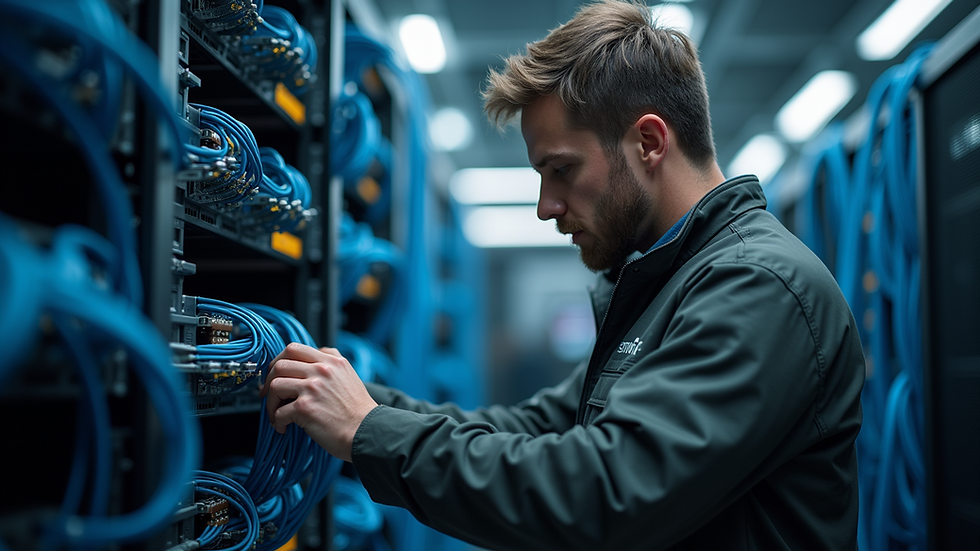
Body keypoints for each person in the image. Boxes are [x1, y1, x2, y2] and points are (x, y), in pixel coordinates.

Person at [261, 1, 866, 549]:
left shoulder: (757, 287)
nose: (546, 206)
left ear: (649, 142)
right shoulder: (665, 286)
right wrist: (345, 398)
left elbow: (602, 495)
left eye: (561, 169)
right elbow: (535, 427)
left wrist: (368, 430)